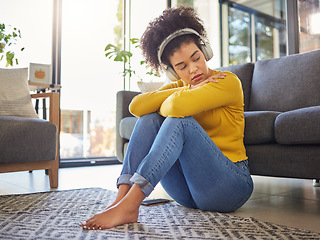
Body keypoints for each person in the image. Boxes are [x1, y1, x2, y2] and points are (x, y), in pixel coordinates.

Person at [80, 6, 253, 230]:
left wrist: (177, 94)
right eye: (182, 66)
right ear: (172, 72)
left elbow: (177, 106)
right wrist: (181, 89)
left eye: (196, 58)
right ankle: (121, 199)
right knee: (149, 119)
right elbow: (137, 106)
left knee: (178, 121)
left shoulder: (226, 82)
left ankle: (131, 205)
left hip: (230, 187)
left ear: (205, 52)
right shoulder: (181, 86)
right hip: (189, 193)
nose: (193, 70)